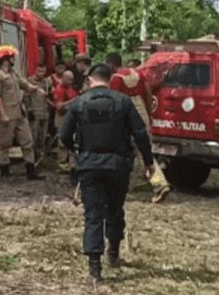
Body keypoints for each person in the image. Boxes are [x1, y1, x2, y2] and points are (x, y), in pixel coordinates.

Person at [59, 63, 154, 282]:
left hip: (89, 165)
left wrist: (78, 153)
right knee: (115, 208)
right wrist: (148, 163)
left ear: (90, 80)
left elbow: (64, 135)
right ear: (110, 80)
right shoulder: (123, 102)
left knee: (93, 215)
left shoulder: (79, 103)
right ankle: (113, 251)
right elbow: (140, 133)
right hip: (117, 165)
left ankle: (95, 268)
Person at [105, 52, 170, 203]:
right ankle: (133, 183)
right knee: (141, 149)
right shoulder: (138, 74)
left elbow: (114, 101)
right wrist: (149, 114)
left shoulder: (116, 79)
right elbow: (147, 92)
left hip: (127, 118)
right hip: (142, 114)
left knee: (138, 153)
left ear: (111, 64)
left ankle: (159, 184)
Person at [0, 45, 44, 180]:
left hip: (19, 113)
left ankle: (31, 171)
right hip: (7, 114)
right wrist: (3, 114)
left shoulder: (13, 73)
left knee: (27, 141)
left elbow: (24, 84)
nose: (14, 59)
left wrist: (36, 89)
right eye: (12, 56)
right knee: (4, 143)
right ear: (5, 59)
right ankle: (5, 171)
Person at [52, 71, 79, 171]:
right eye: (68, 79)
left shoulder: (71, 89)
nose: (70, 82)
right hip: (61, 118)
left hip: (71, 117)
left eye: (72, 79)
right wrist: (72, 101)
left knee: (73, 140)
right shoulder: (59, 89)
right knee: (62, 142)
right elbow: (59, 107)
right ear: (63, 78)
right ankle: (62, 164)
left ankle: (72, 165)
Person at [25, 64, 52, 163]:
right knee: (33, 136)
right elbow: (26, 97)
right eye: (39, 71)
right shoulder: (29, 82)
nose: (41, 74)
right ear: (35, 71)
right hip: (35, 112)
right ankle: (32, 158)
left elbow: (49, 95)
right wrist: (29, 109)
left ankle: (41, 158)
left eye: (43, 71)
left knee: (43, 136)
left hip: (45, 112)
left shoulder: (46, 82)